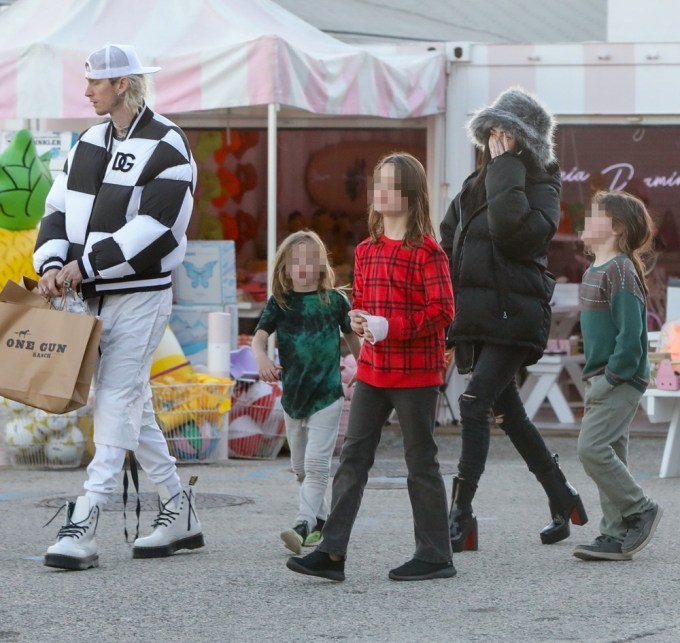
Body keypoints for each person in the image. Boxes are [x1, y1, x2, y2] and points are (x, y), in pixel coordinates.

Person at [34, 44, 200, 570]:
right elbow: (56, 209)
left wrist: (85, 266)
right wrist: (51, 263)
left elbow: (155, 228)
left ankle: (85, 519)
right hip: (92, 296)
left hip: (143, 296)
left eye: (96, 83)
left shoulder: (168, 144)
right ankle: (179, 509)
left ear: (122, 84)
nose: (86, 91)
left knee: (116, 397)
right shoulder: (86, 142)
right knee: (133, 405)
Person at [286, 152, 456, 582]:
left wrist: (390, 326)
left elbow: (443, 311)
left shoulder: (428, 253)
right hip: (374, 369)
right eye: (377, 183)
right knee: (353, 459)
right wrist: (359, 320)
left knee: (421, 463)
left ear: (411, 194)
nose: (379, 191)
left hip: (417, 373)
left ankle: (436, 555)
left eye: (390, 184)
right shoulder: (366, 250)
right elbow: (360, 299)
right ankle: (332, 552)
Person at [440, 86, 587, 553]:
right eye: (492, 130)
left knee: (473, 402)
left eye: (507, 132)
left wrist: (505, 169)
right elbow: (449, 244)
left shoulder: (543, 184)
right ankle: (564, 498)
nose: (496, 138)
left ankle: (459, 516)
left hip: (514, 314)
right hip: (476, 316)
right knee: (510, 413)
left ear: (524, 139)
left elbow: (514, 234)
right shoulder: (471, 185)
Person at [251, 231, 361, 554]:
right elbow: (259, 338)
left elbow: (352, 339)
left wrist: (364, 365)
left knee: (316, 466)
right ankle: (321, 520)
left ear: (321, 265)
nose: (302, 267)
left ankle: (302, 524)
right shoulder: (280, 304)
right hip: (293, 399)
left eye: (310, 261)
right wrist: (260, 357)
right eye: (295, 262)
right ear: (284, 269)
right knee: (299, 468)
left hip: (327, 394)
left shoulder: (334, 301)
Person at [572, 191, 662, 561]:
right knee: (612, 454)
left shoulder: (620, 270)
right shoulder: (594, 270)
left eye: (595, 215)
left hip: (620, 379)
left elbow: (631, 339)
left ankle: (641, 508)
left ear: (617, 227)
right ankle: (614, 533)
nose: (586, 220)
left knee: (591, 449)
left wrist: (609, 380)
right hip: (602, 376)